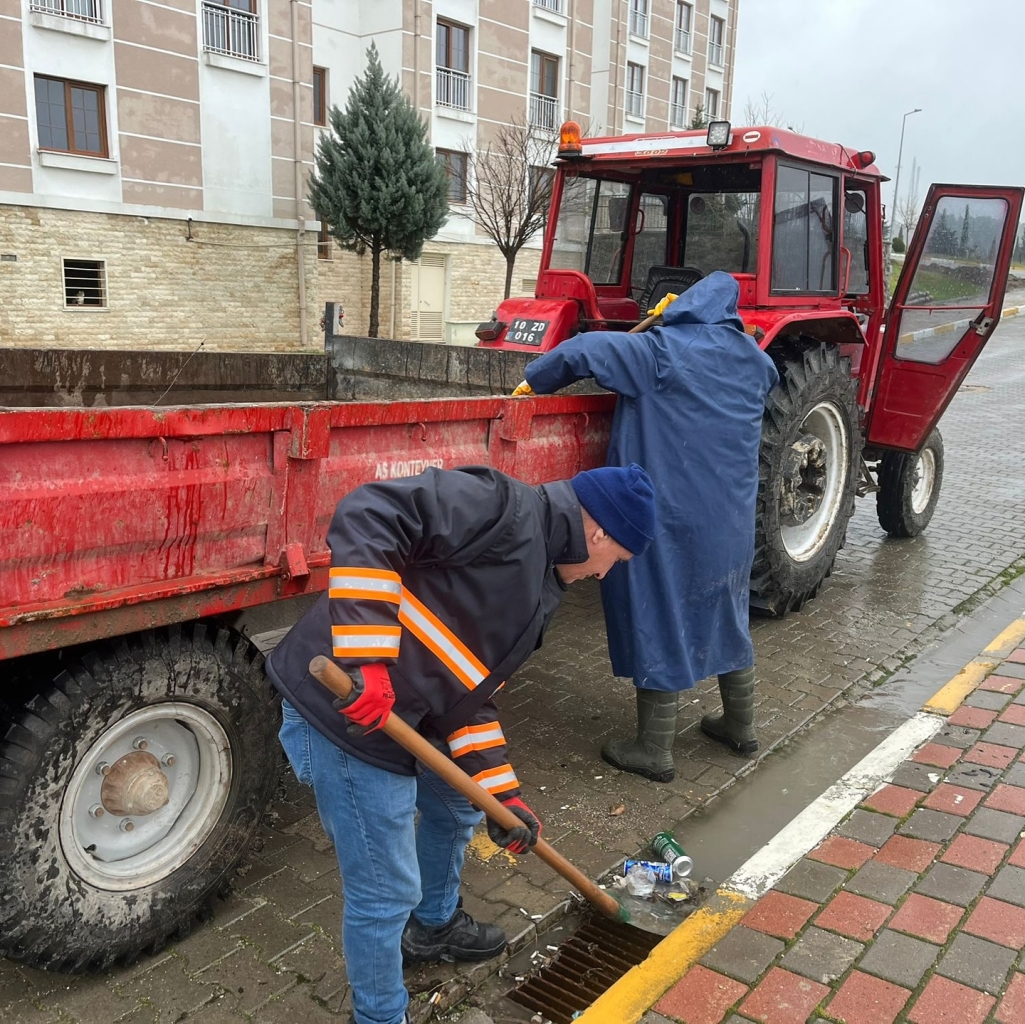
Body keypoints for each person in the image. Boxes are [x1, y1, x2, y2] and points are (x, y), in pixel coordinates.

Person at [265, 463, 655, 1024]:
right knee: (384, 889)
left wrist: (504, 797)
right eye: (617, 559)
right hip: (342, 710)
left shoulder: (542, 588)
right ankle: (378, 1016)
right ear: (599, 533)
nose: (607, 573)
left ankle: (434, 925)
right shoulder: (503, 509)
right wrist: (367, 658)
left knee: (456, 803)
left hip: (405, 719)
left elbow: (469, 702)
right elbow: (370, 512)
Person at [516, 271, 779, 783]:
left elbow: (586, 349)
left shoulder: (663, 352)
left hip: (671, 515)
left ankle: (653, 750)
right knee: (727, 607)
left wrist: (536, 378)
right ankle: (740, 727)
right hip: (731, 519)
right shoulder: (757, 363)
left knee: (660, 607)